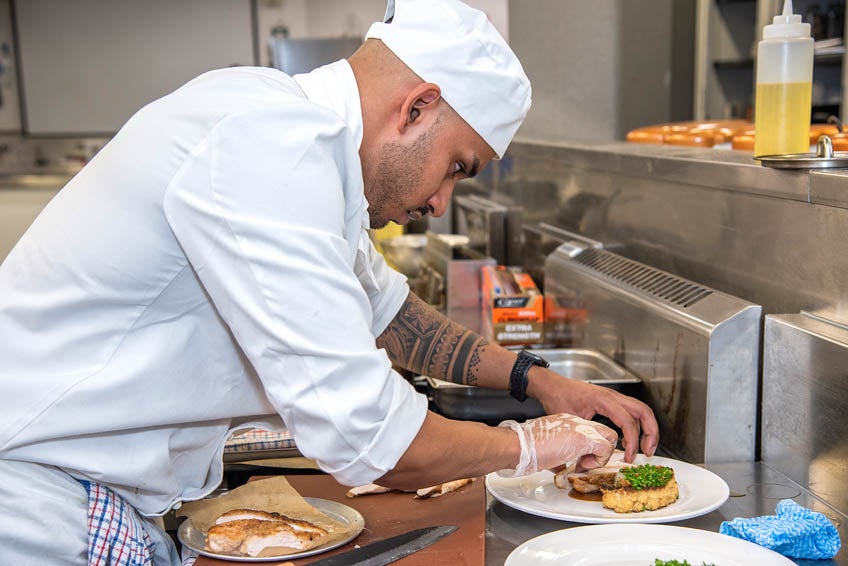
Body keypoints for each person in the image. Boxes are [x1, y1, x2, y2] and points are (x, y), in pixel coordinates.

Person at [0, 0, 659, 563]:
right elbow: (372, 438)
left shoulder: (313, 156)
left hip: (88, 493)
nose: (440, 203)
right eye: (456, 166)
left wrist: (539, 381)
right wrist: (530, 446)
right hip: (43, 510)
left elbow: (393, 320)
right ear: (419, 107)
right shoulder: (269, 143)